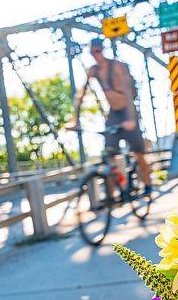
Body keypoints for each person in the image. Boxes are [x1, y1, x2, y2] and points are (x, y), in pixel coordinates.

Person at [65, 38, 152, 195]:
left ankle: (147, 184)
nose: (95, 55)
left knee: (138, 153)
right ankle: (116, 191)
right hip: (114, 113)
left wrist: (131, 119)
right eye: (92, 52)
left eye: (97, 51)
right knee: (109, 154)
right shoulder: (93, 70)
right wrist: (74, 119)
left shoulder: (117, 66)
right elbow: (81, 95)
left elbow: (127, 91)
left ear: (102, 50)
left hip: (128, 110)